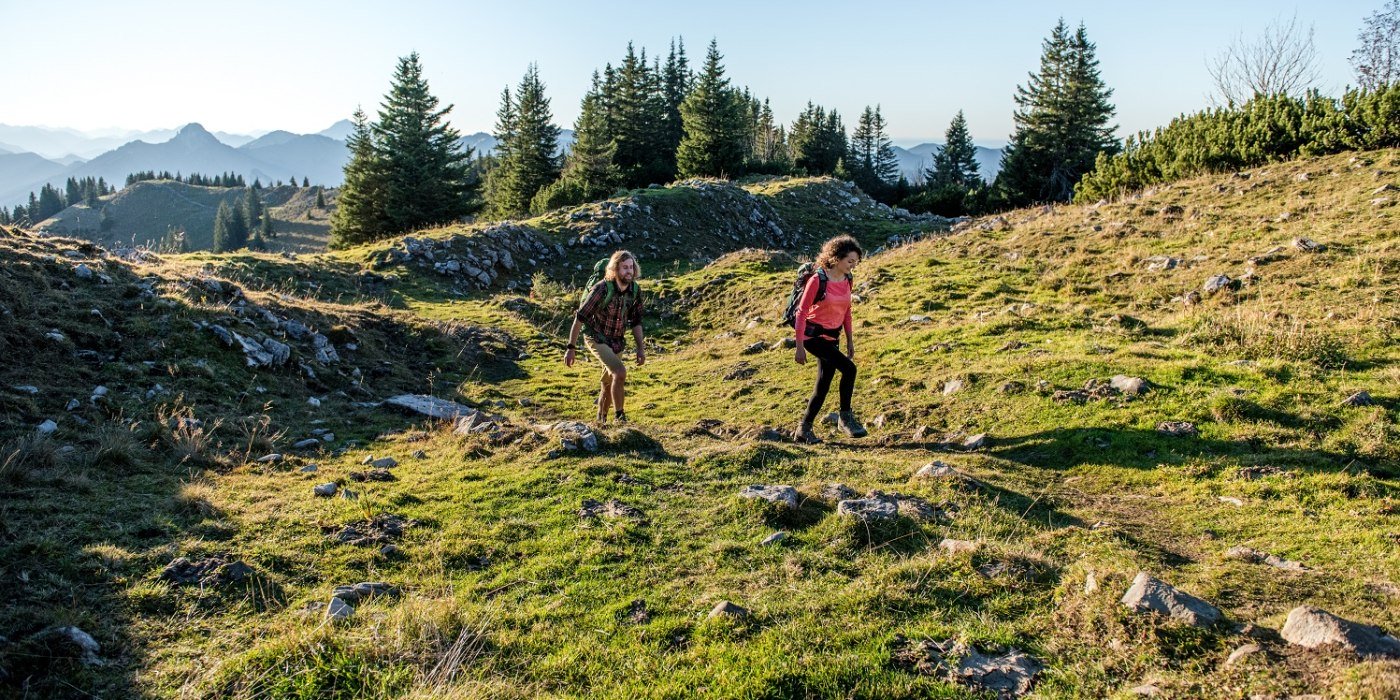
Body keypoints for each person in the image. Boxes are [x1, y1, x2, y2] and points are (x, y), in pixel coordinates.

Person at [793, 235, 866, 443]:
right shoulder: (818, 280)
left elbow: (847, 311)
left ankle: (803, 430)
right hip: (813, 337)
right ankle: (845, 419)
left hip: (833, 337)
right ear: (837, 258)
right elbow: (801, 313)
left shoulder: (847, 279)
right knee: (849, 369)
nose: (853, 265)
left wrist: (850, 340)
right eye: (850, 261)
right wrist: (799, 347)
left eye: (856, 262)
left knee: (823, 384)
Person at [565, 250, 645, 424]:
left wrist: (640, 348)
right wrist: (571, 348)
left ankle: (601, 421)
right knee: (620, 372)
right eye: (624, 267)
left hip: (617, 341)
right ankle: (620, 417)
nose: (629, 271)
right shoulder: (601, 288)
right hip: (596, 338)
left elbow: (636, 321)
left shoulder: (634, 290)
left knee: (608, 384)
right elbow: (580, 317)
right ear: (615, 269)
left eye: (631, 267)